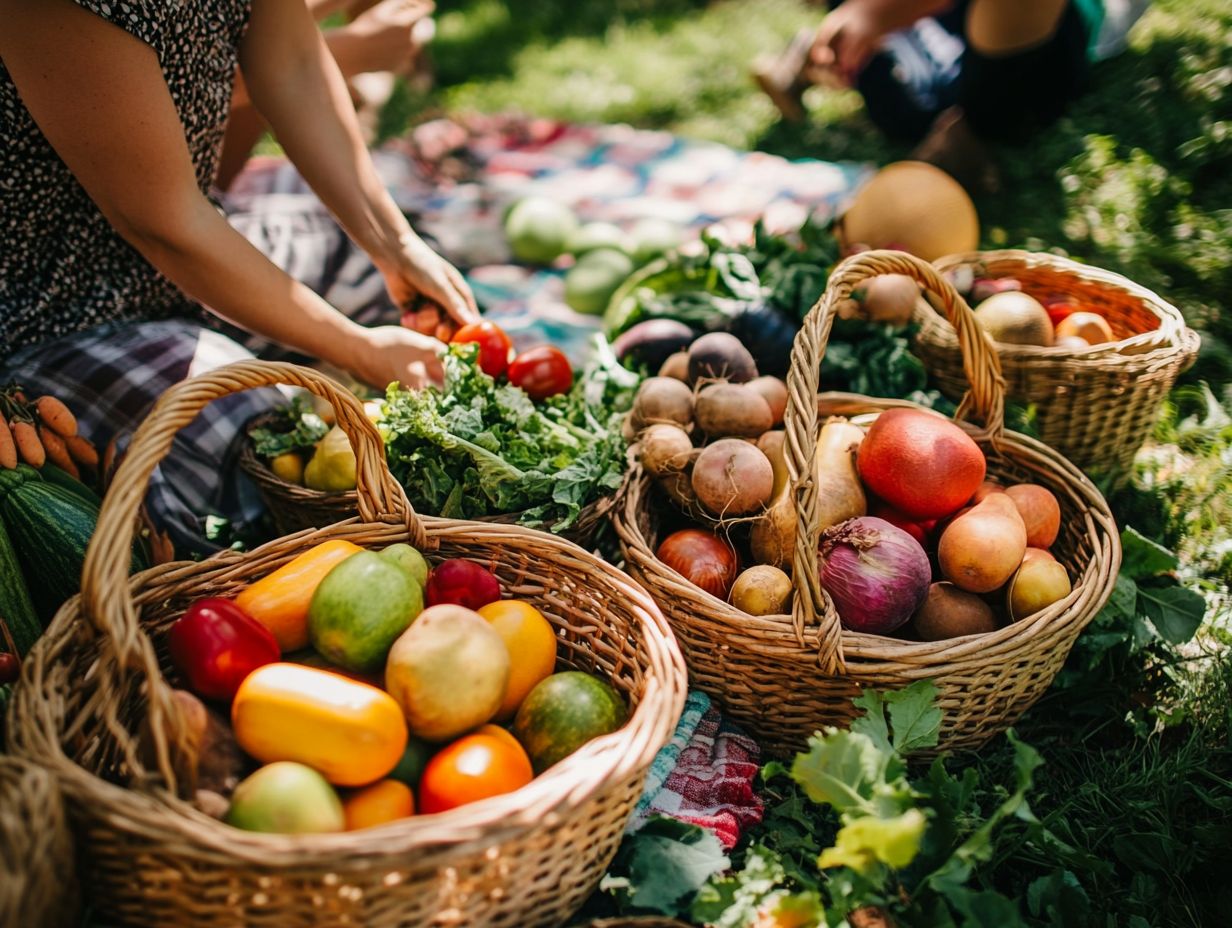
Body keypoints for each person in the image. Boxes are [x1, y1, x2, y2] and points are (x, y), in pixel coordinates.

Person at [0, 0, 479, 553]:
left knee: (383, 284)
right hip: (59, 308)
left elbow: (296, 66)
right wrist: (359, 349)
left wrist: (396, 246)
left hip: (191, 240)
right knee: (262, 446)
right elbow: (167, 224)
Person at [754, 0, 1150, 192]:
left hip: (1022, 53)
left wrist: (878, 12)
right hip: (917, 77)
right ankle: (817, 55)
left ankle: (967, 142)